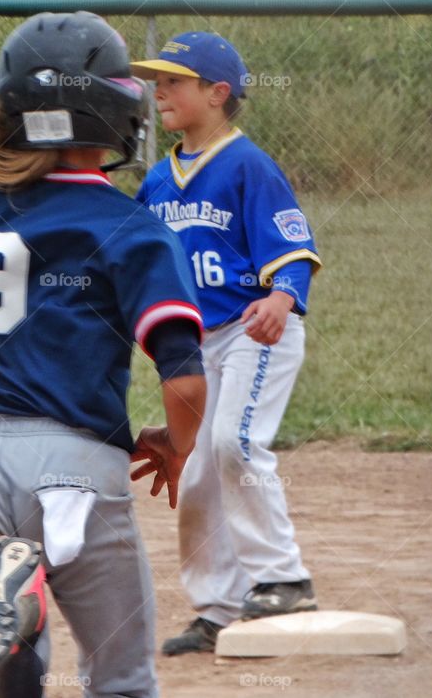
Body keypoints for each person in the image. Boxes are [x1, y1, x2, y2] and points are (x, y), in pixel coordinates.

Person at [0, 12, 207, 697]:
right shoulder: (126, 224)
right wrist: (176, 444)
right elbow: (185, 378)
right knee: (122, 679)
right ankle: (28, 605)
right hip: (77, 471)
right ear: (114, 114)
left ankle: (19, 634)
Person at [129, 32, 323, 656]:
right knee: (196, 475)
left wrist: (282, 297)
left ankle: (284, 577)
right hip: (194, 347)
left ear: (217, 95)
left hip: (254, 329)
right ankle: (218, 609)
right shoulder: (158, 181)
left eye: (174, 81)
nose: (160, 90)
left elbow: (293, 248)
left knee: (233, 443)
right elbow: (132, 259)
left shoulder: (248, 165)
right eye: (156, 80)